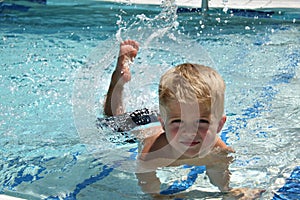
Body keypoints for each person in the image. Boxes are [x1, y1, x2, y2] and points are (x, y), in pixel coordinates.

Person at [103, 39, 264, 199]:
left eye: (201, 122)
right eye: (178, 123)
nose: (189, 132)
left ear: (219, 124)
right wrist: (156, 195)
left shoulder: (219, 152)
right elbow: (148, 182)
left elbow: (219, 174)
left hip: (170, 113)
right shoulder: (152, 154)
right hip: (145, 122)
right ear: (163, 124)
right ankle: (119, 78)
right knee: (114, 121)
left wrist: (227, 190)